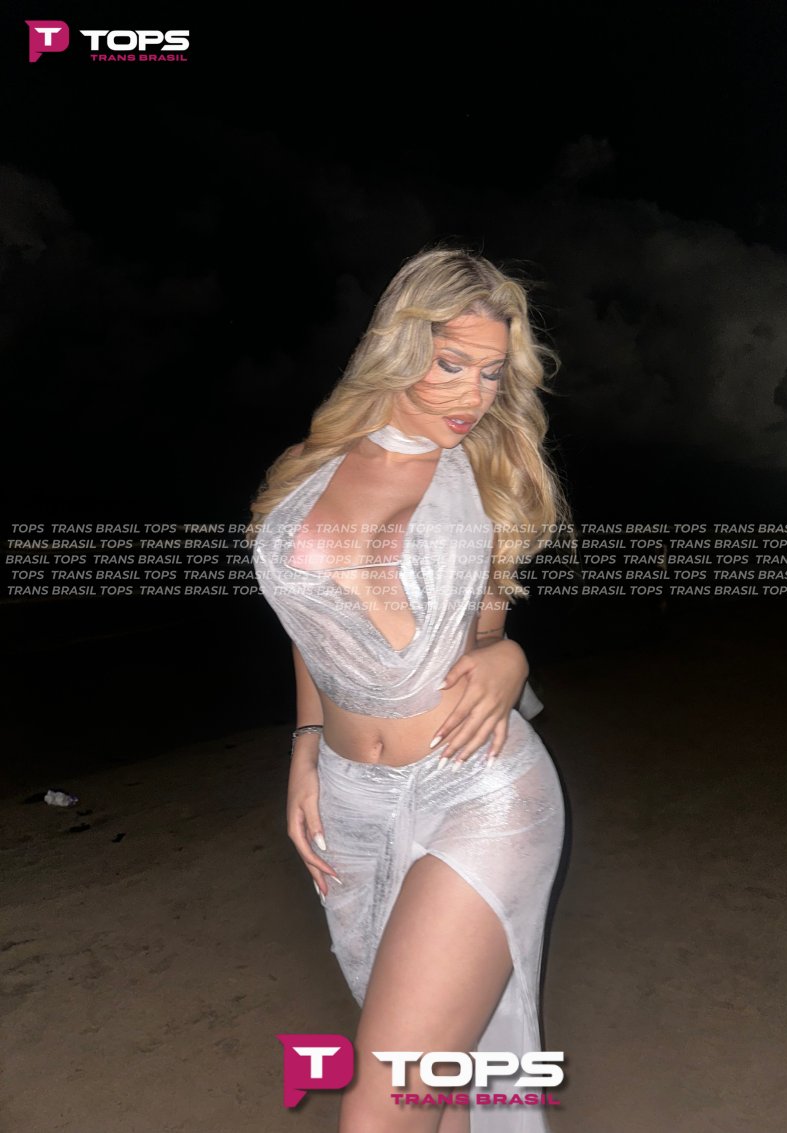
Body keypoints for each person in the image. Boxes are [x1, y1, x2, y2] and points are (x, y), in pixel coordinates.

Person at [248, 247, 570, 1132]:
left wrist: (511, 659)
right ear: (399, 346)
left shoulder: (489, 475)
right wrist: (305, 745)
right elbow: (310, 623)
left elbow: (487, 633)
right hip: (351, 799)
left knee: (383, 1104)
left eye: (492, 373)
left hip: (478, 784)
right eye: (452, 363)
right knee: (438, 1086)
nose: (475, 395)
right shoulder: (308, 465)